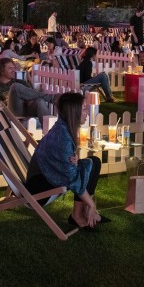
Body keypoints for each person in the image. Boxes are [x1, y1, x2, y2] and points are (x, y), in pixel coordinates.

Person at [26, 92, 104, 231]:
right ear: (74, 111)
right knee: (84, 168)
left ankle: (81, 213)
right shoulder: (62, 137)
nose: (87, 112)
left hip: (45, 175)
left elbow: (62, 161)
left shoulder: (63, 126)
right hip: (39, 188)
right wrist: (91, 203)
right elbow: (72, 178)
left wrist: (71, 162)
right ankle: (83, 212)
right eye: (84, 108)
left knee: (94, 162)